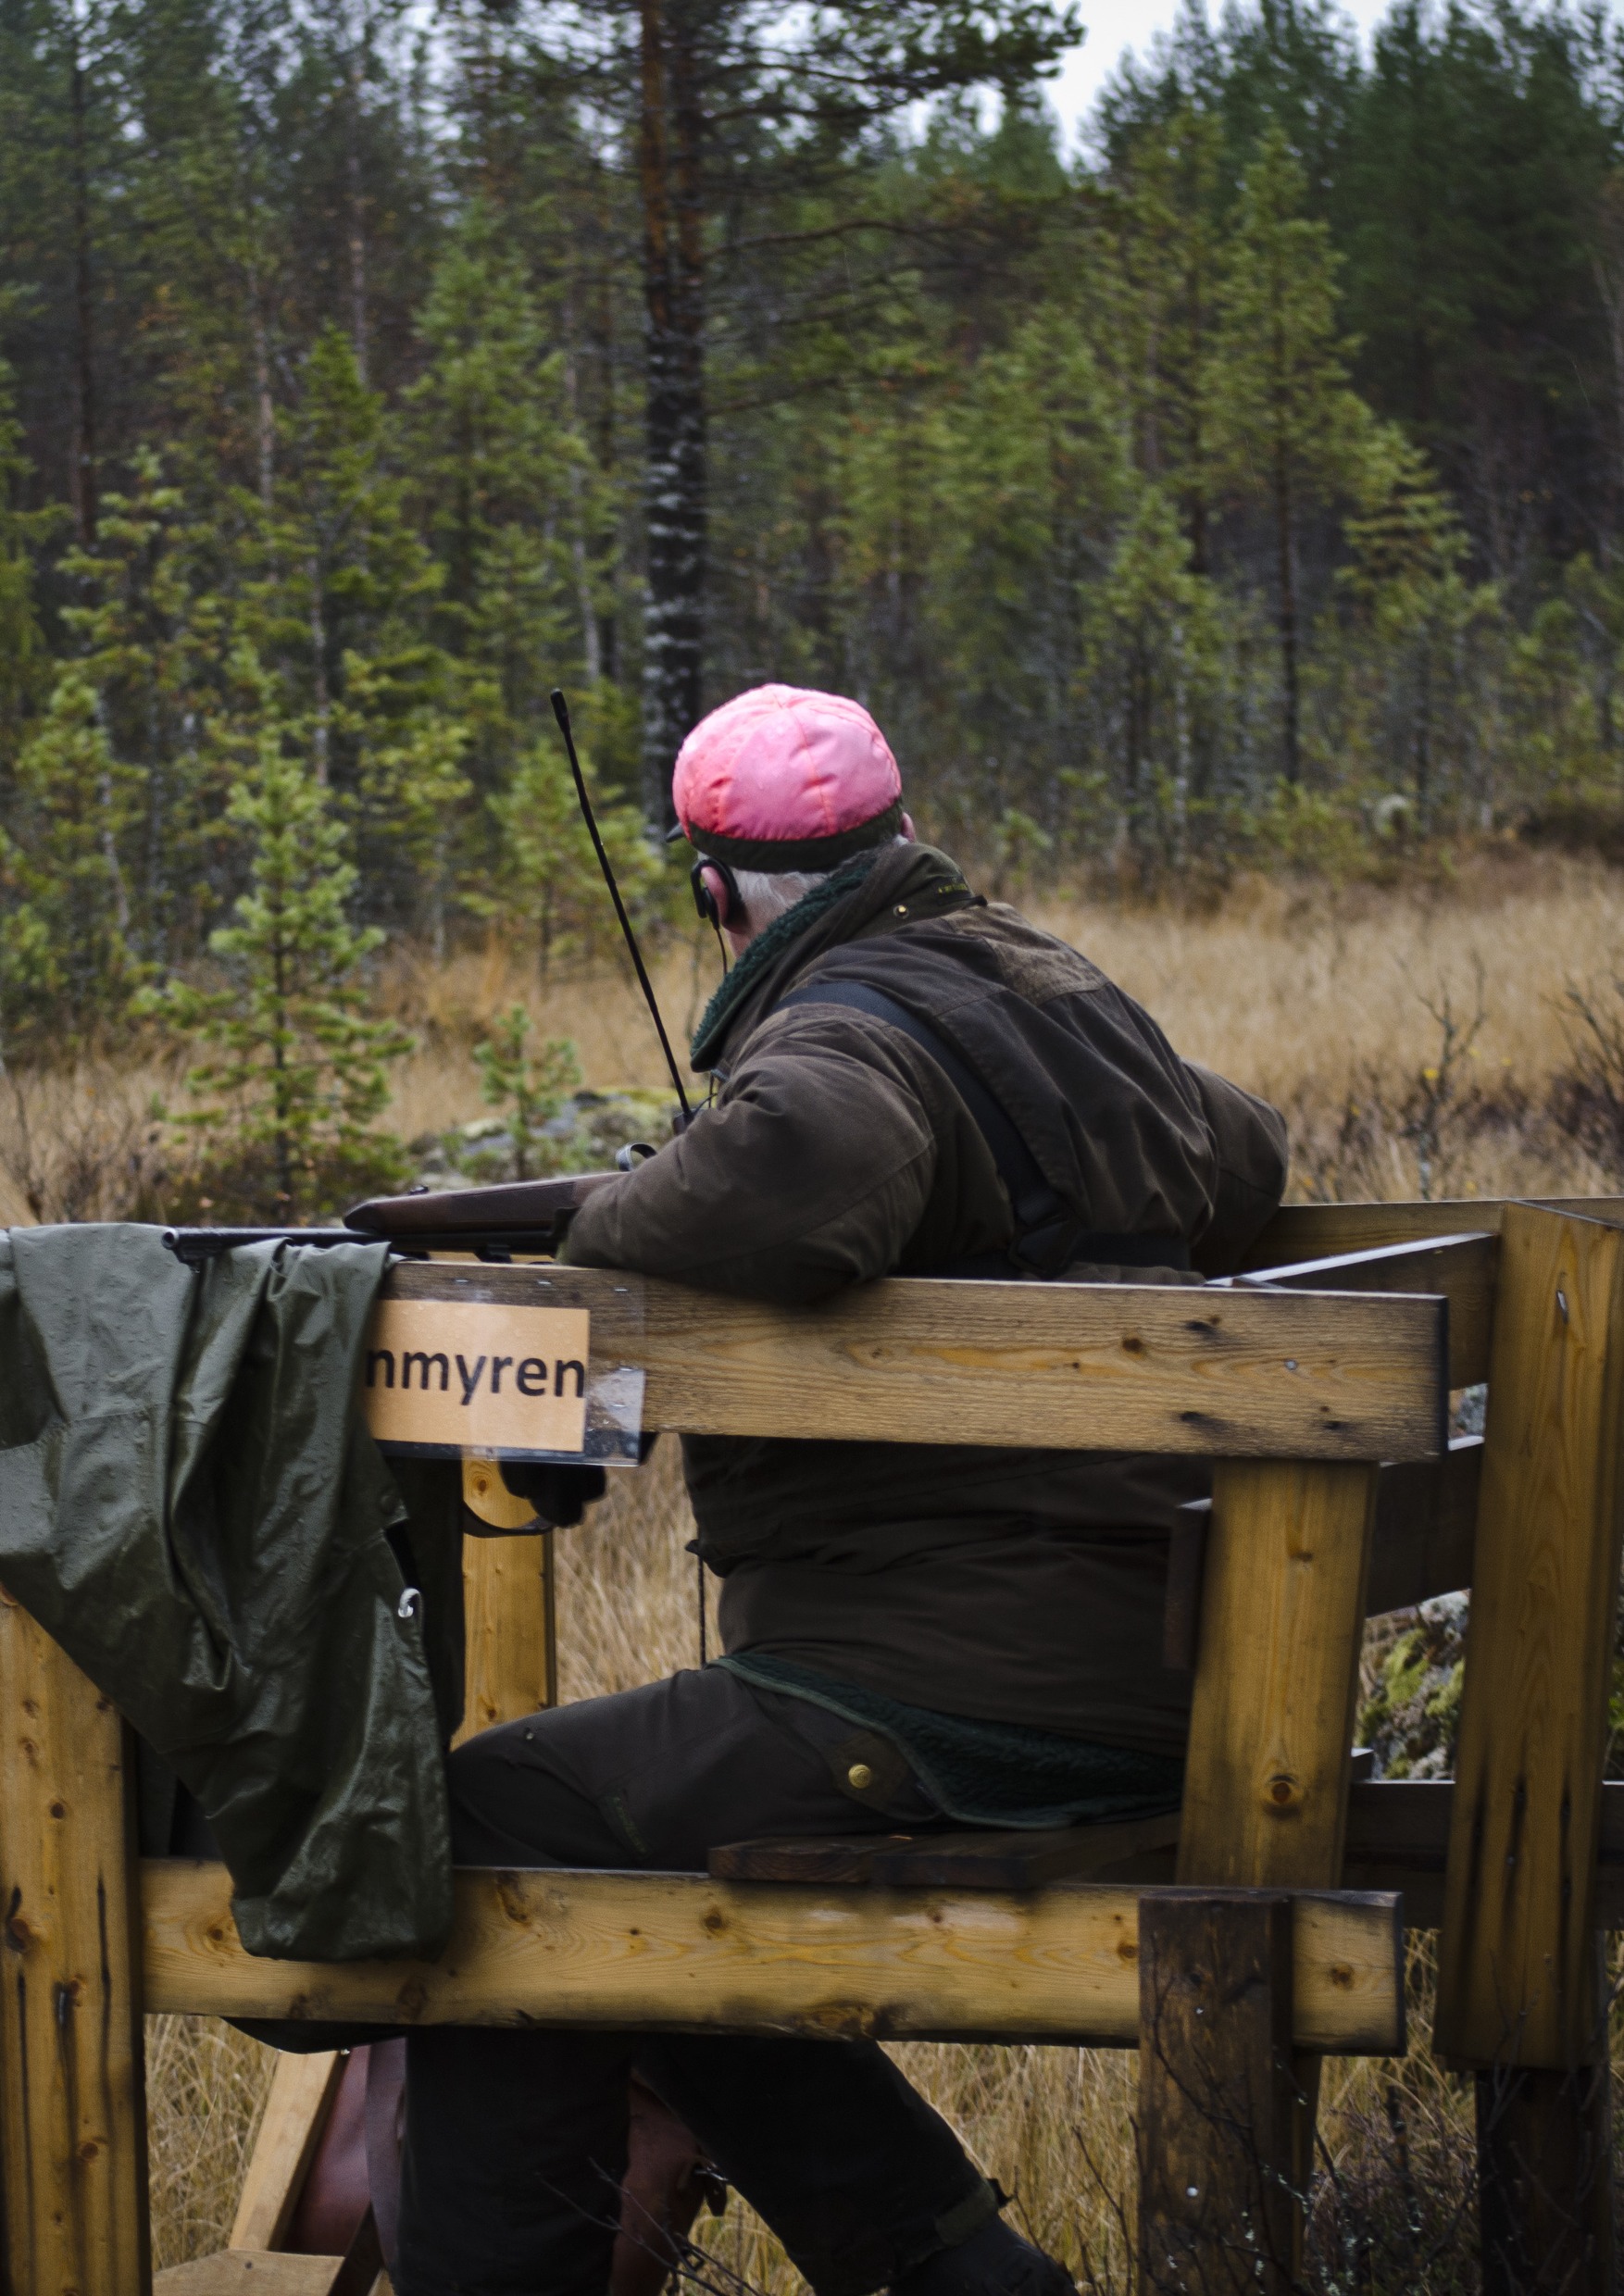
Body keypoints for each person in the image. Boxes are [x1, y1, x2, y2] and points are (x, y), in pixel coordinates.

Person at [394, 684, 1289, 2296]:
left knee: (496, 1820)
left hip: (957, 1692)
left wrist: (604, 1222)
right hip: (1165, 1656)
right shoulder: (1050, 987)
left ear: (714, 887)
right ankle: (951, 2270)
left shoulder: (845, 1026)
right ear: (892, 837)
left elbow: (795, 1178)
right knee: (639, 1836)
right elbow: (1240, 1148)